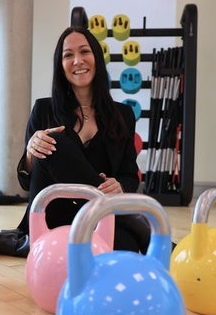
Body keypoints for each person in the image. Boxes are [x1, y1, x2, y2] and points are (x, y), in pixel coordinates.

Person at [11, 25, 151, 255]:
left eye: (84, 51)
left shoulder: (123, 115)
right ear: (61, 65)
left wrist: (120, 186)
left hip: (97, 221)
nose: (77, 60)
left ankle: (126, 223)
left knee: (125, 246)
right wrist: (30, 152)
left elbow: (128, 173)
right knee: (55, 139)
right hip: (51, 215)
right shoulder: (43, 109)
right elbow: (27, 182)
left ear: (96, 57)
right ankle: (134, 223)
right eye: (68, 55)